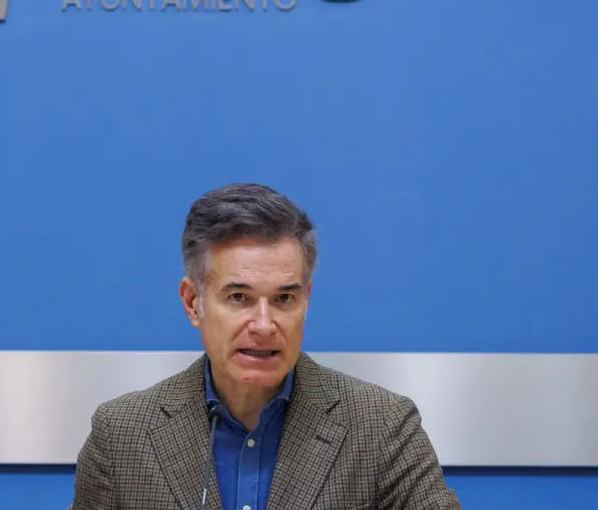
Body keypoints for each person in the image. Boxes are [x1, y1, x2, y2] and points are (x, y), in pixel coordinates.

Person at [70, 183, 461, 510]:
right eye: (239, 297)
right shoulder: (122, 434)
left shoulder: (382, 426)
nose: (263, 325)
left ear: (305, 301)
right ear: (193, 303)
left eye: (283, 299)